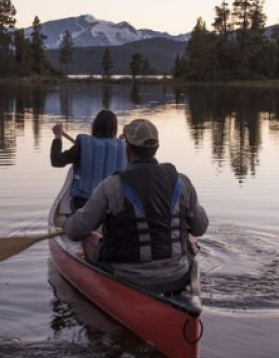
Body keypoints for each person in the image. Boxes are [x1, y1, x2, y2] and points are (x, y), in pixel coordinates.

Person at [64, 118, 208, 292]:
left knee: (88, 236)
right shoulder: (182, 181)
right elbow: (200, 228)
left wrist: (68, 223)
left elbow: (75, 231)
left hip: (127, 278)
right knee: (189, 239)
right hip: (177, 275)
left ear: (128, 148)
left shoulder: (111, 185)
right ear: (156, 148)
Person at [51, 109, 126, 210]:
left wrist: (58, 137)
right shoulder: (125, 148)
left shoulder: (83, 144)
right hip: (112, 205)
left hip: (84, 204)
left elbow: (56, 161)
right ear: (115, 128)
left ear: (95, 125)